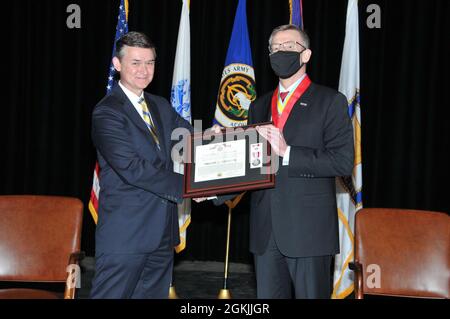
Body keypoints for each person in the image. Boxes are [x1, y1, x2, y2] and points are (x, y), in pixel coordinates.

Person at [245, 24, 354, 298]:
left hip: (309, 231)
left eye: (289, 46)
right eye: (275, 48)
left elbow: (342, 162)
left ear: (306, 55)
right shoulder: (258, 105)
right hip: (265, 231)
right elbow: (250, 165)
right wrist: (209, 189)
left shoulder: (331, 101)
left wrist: (288, 151)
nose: (281, 52)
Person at [90, 31, 192, 298]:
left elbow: (189, 139)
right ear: (117, 64)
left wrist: (224, 139)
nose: (144, 70)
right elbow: (134, 168)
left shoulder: (159, 105)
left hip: (162, 236)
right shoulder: (107, 112)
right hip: (126, 236)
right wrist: (191, 187)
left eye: (150, 62)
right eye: (135, 62)